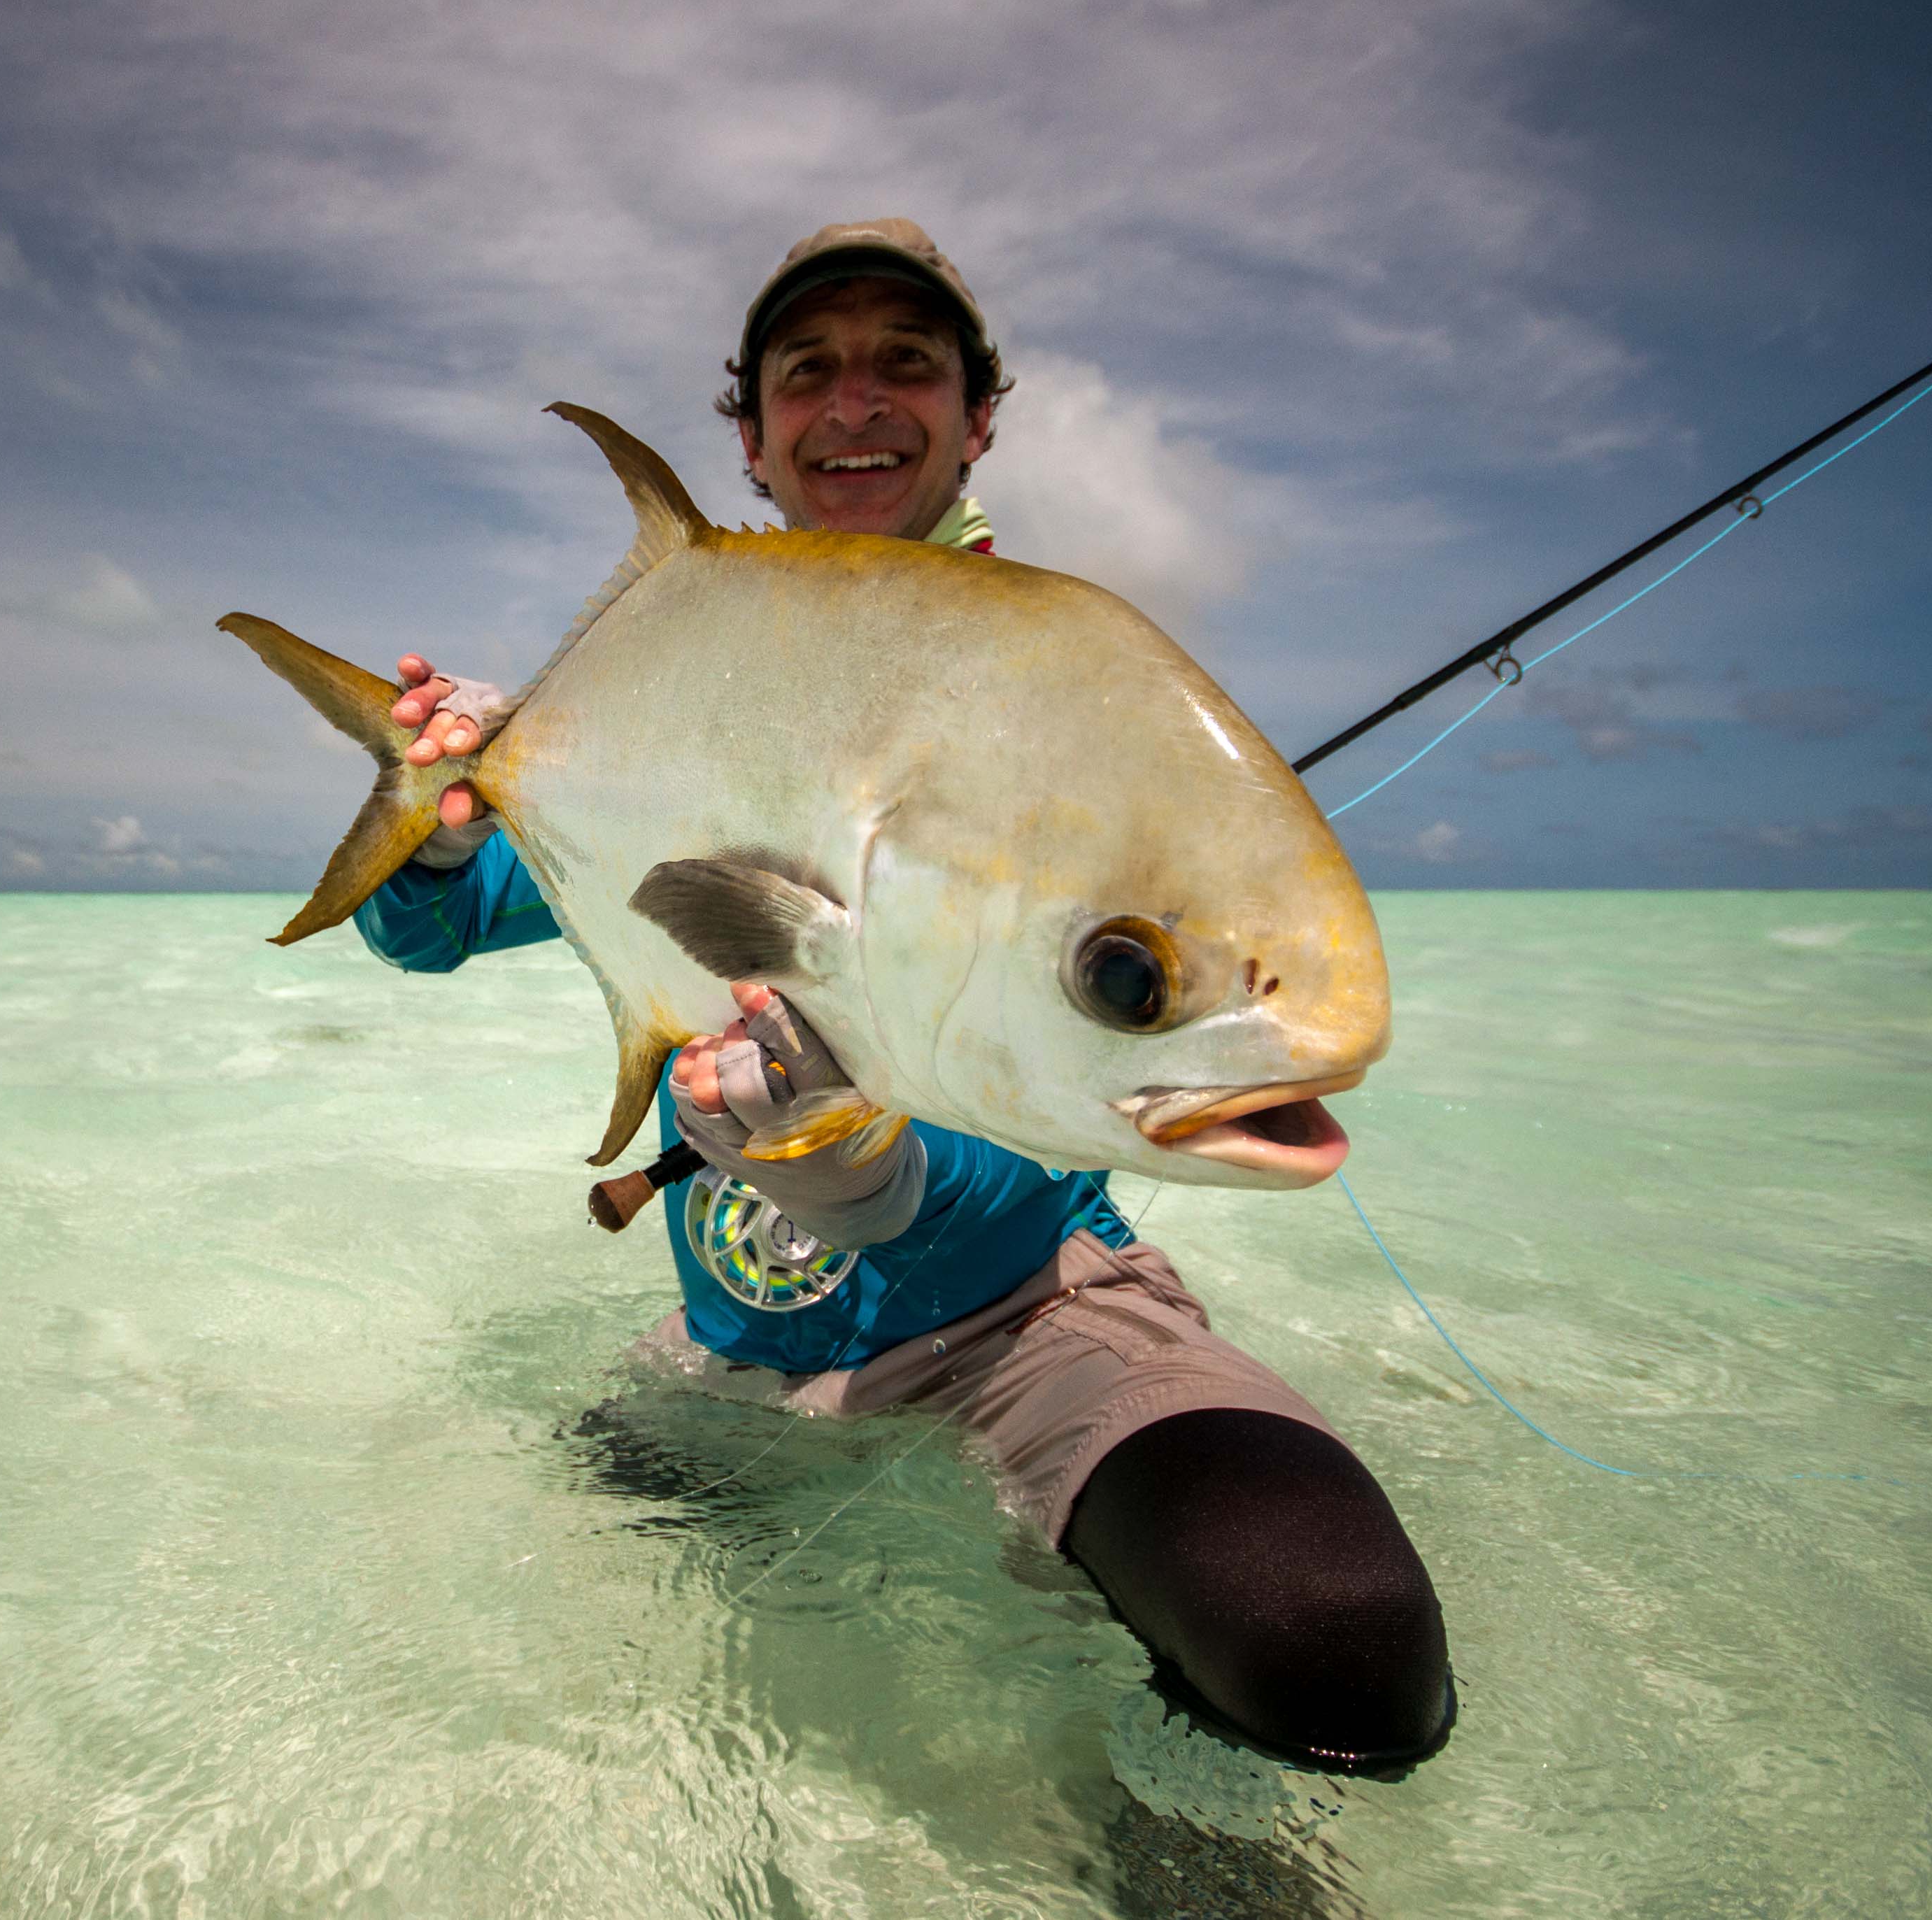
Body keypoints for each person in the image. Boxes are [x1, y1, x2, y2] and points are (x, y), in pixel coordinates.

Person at [355, 220, 1454, 1772]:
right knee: (569, 1619)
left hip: (1029, 1309)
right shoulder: (691, 669)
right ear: (749, 429)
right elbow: (438, 929)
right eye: (810, 370)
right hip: (745, 1330)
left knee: (1327, 1643)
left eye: (905, 363)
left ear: (976, 413)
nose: (856, 402)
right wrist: (435, 812)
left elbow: (1022, 1020)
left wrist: (869, 1169)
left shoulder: (1047, 678)